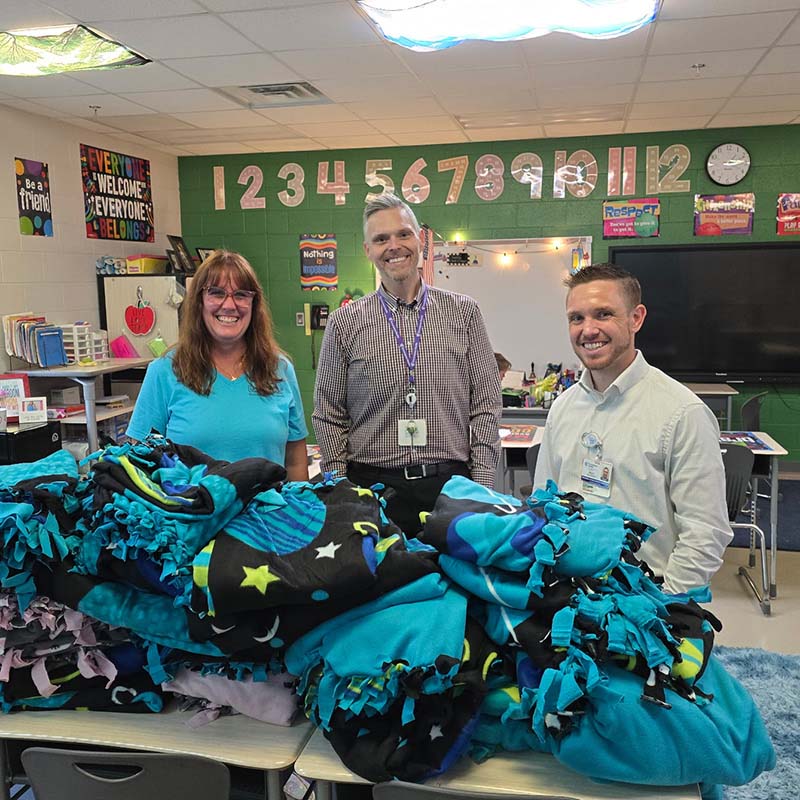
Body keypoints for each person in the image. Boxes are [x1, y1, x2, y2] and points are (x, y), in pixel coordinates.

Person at [533, 263, 732, 595]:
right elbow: (544, 505)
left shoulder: (683, 413)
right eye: (576, 318)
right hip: (567, 598)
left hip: (647, 600)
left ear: (636, 318)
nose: (588, 330)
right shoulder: (563, 408)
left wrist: (664, 607)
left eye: (603, 314)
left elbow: (705, 532)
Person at [312, 193, 501, 534]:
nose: (394, 246)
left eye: (403, 234)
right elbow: (328, 413)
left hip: (450, 486)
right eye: (381, 239)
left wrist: (482, 484)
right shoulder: (344, 323)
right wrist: (341, 490)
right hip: (372, 490)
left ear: (421, 241)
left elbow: (486, 404)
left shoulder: (464, 313)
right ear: (367, 250)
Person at [127, 250, 309, 479]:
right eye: (216, 293)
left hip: (269, 503)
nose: (229, 305)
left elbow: (295, 462)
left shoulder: (279, 369)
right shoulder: (164, 371)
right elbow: (138, 466)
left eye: (241, 295)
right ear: (199, 302)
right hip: (187, 503)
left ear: (254, 304)